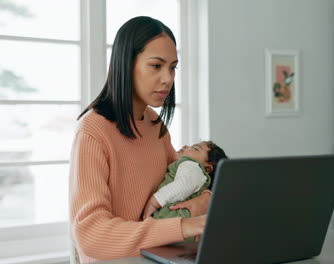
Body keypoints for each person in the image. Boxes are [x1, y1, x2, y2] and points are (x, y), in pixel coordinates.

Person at [69, 16, 211, 263]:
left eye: (173, 67)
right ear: (126, 64)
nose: (168, 78)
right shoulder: (93, 131)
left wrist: (204, 201)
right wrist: (184, 226)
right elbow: (91, 235)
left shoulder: (154, 124)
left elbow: (183, 184)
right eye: (156, 66)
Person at [142, 141, 228, 222]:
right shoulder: (190, 168)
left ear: (207, 168)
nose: (185, 147)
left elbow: (182, 185)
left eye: (195, 148)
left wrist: (155, 202)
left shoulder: (194, 167)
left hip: (171, 217)